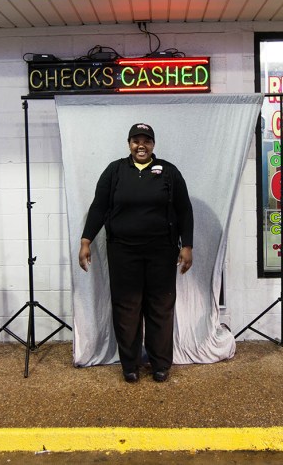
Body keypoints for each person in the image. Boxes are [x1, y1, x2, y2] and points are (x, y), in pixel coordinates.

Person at [79, 123, 194, 384]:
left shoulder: (169, 172)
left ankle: (160, 364)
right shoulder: (115, 171)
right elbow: (98, 207)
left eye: (147, 141)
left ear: (153, 144)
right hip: (123, 252)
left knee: (160, 306)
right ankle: (130, 364)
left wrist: (187, 246)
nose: (141, 145)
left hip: (161, 252)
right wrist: (86, 240)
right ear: (129, 143)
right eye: (136, 141)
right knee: (126, 308)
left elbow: (184, 210)